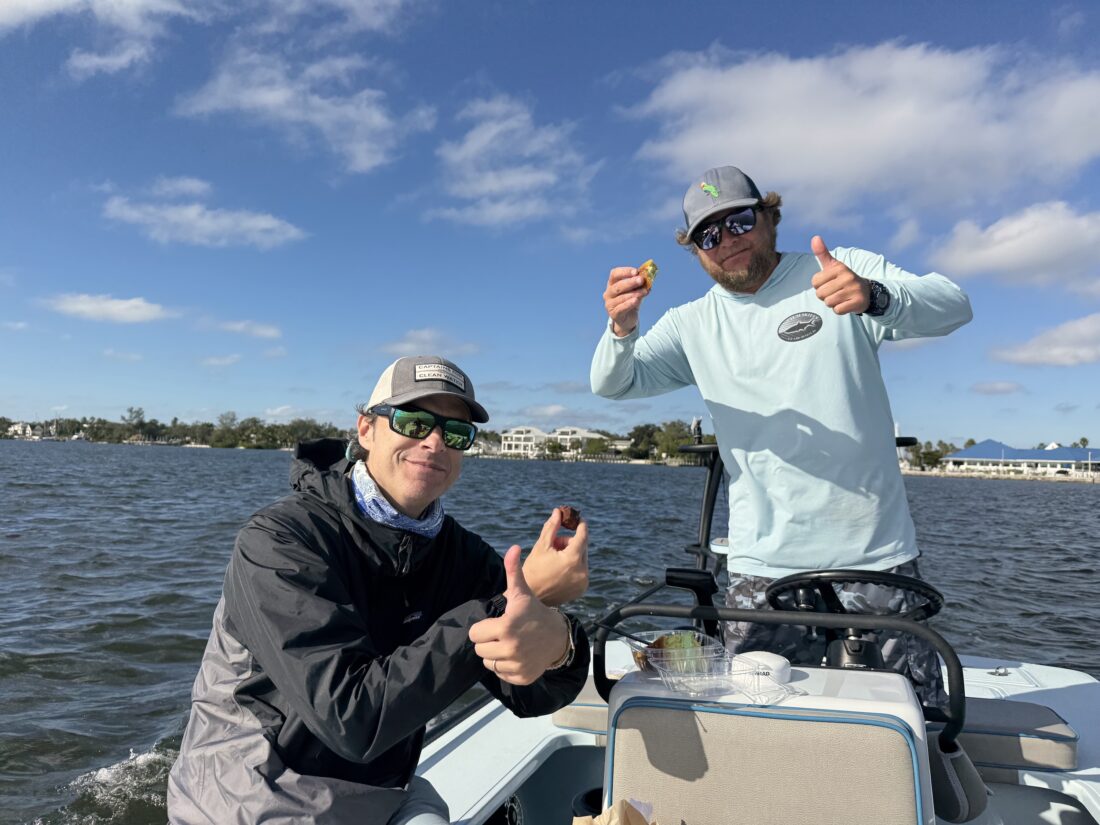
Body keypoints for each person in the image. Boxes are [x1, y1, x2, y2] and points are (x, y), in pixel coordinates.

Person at [590, 166, 972, 708]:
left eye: (739, 221)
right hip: (762, 566)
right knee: (754, 725)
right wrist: (621, 329)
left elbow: (954, 304)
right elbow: (612, 382)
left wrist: (876, 297)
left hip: (877, 558)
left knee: (914, 716)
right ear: (696, 250)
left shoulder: (840, 271)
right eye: (708, 235)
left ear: (769, 218)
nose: (726, 241)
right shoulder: (690, 323)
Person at [168, 355, 590, 824]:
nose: (433, 442)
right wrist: (513, 598)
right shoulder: (280, 539)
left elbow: (531, 697)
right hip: (250, 793)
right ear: (366, 430)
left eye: (455, 433)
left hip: (381, 790)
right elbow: (349, 717)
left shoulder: (462, 558)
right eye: (414, 421)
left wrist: (553, 634)